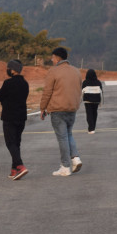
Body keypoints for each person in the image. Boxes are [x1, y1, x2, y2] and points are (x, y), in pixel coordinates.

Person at [39, 46, 83, 176]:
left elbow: (47, 92)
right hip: (72, 108)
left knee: (62, 138)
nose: (52, 60)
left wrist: (43, 108)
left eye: (52, 57)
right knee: (68, 134)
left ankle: (65, 167)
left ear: (57, 57)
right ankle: (75, 158)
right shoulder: (76, 71)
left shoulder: (53, 71)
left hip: (58, 109)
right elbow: (79, 89)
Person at [0, 59, 29, 180]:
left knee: (10, 143)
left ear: (13, 70)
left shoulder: (8, 83)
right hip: (21, 117)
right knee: (16, 143)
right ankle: (14, 170)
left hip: (9, 117)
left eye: (8, 68)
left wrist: (5, 101)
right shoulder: (25, 83)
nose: (7, 70)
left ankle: (20, 166)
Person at [81, 69, 103, 134]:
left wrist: (81, 99)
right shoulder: (98, 82)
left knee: (89, 114)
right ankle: (93, 127)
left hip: (87, 101)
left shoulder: (85, 82)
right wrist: (100, 102)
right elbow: (101, 92)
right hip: (96, 101)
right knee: (94, 113)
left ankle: (91, 128)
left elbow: (82, 92)